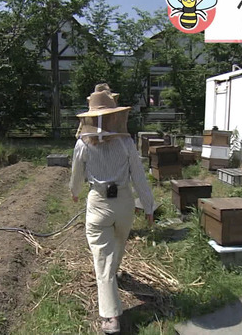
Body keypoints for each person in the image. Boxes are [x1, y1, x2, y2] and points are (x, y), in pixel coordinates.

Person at [70, 83, 155, 334]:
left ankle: (110, 317)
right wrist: (148, 206)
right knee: (117, 246)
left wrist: (75, 193)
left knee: (102, 258)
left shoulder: (82, 144)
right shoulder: (127, 143)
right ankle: (112, 282)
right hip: (125, 204)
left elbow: (76, 175)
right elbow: (139, 176)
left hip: (98, 203)